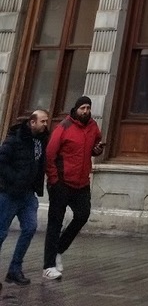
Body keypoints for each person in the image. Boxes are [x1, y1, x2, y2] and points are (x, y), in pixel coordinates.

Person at [42, 95, 104, 281]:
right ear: (76, 109)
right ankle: (48, 266)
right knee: (55, 223)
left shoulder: (93, 126)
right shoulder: (64, 127)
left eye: (88, 108)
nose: (85, 111)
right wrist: (54, 180)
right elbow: (50, 154)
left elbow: (93, 146)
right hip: (61, 182)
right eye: (82, 108)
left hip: (81, 183)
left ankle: (59, 249)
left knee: (83, 215)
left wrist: (97, 150)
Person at [0, 108, 50, 286]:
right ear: (32, 122)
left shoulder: (42, 141)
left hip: (28, 195)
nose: (46, 124)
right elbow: (1, 162)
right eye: (43, 121)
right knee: (1, 233)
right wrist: (15, 180)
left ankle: (14, 269)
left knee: (30, 228)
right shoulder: (15, 139)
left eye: (46, 121)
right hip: (9, 194)